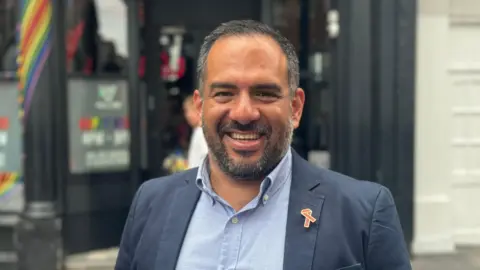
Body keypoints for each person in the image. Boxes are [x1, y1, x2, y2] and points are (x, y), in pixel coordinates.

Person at [115, 20, 411, 270]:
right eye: (224, 93)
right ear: (200, 106)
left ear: (295, 108)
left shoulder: (362, 215)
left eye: (265, 93)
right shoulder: (151, 204)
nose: (244, 113)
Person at [183, 95, 209, 168]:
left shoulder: (201, 132)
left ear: (198, 110)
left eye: (188, 111)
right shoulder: (197, 130)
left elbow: (206, 158)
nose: (187, 116)